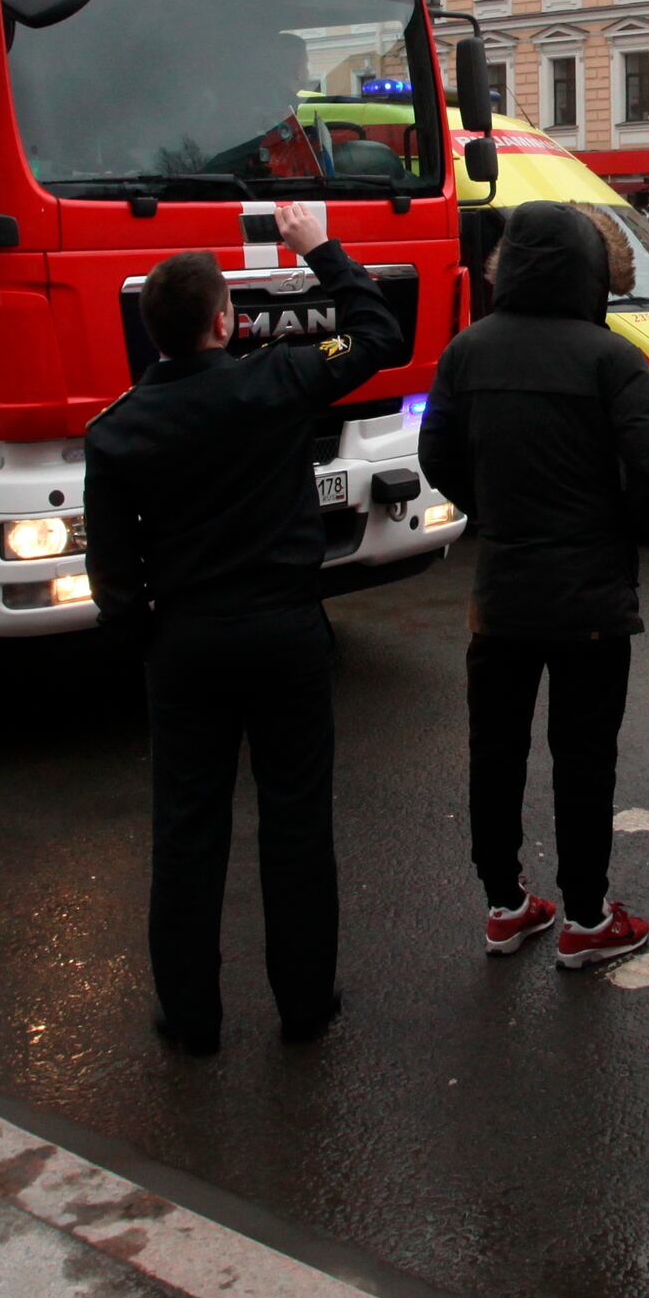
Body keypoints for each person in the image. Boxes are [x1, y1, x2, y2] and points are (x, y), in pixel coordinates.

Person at [84, 199, 404, 1051]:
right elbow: (380, 335)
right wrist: (322, 252)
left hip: (184, 642)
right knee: (297, 820)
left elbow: (112, 573)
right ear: (226, 320)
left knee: (187, 832)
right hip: (285, 631)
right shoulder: (276, 379)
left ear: (153, 334)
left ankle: (190, 1019)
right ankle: (305, 1005)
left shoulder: (116, 432)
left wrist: (145, 639)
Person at [420, 201, 649, 970]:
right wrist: (618, 526)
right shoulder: (609, 359)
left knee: (495, 750)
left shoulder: (466, 353)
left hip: (501, 591)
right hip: (591, 597)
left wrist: (492, 512)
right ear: (590, 271)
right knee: (583, 755)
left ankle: (504, 904)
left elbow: (439, 455)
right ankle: (586, 917)